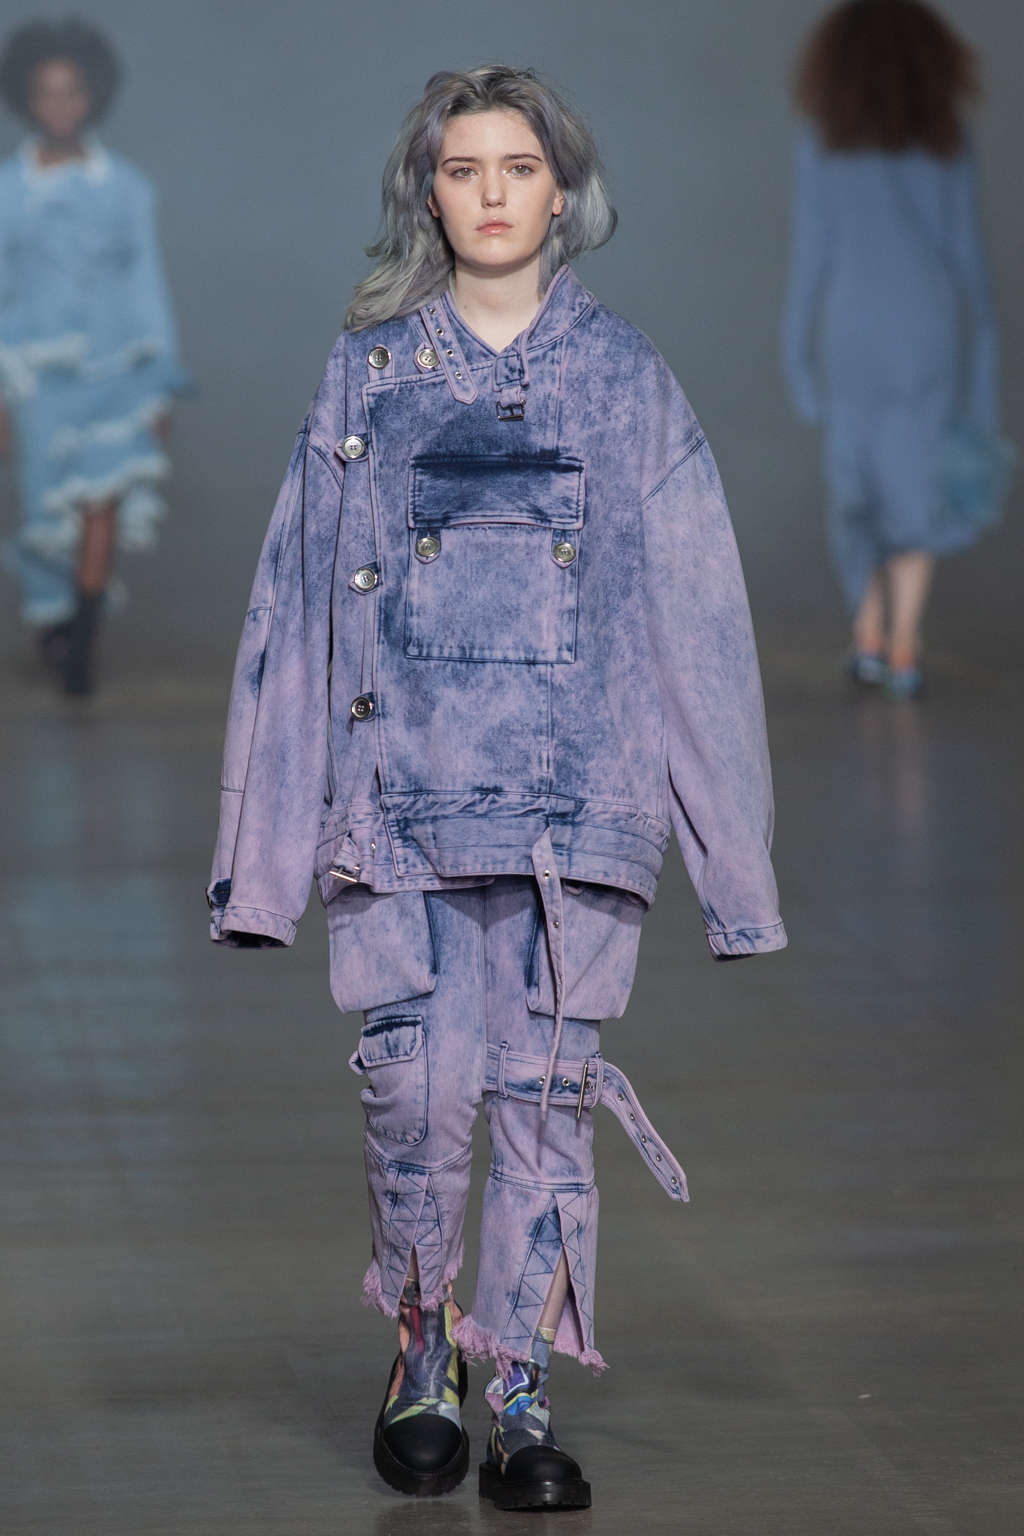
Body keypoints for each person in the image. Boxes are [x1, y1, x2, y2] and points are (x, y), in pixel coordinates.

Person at [208, 66, 786, 1509]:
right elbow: (293, 609)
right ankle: (423, 1353)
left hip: (576, 816)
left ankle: (518, 1378)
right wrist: (262, 867)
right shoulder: (367, 378)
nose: (491, 194)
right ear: (429, 193)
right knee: (414, 1098)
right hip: (396, 810)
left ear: (562, 191)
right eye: (463, 169)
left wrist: (736, 874)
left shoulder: (627, 381)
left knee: (542, 1101)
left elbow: (699, 625)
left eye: (518, 168)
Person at [781, 0, 1002, 699]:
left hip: (851, 335)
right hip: (927, 335)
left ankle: (868, 635)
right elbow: (969, 266)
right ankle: (903, 641)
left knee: (856, 487)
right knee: (913, 484)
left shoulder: (822, 140)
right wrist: (985, 376)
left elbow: (810, 261)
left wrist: (797, 359)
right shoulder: (947, 139)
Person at [0, 19, 189, 695]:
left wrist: (160, 384)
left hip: (117, 371)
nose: (59, 105)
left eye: (72, 90)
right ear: (27, 99)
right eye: (45, 92)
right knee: (42, 511)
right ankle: (55, 624)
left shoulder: (126, 187)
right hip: (35, 378)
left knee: (102, 501)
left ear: (93, 96)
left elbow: (146, 285)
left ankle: (81, 647)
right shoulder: (7, 189)